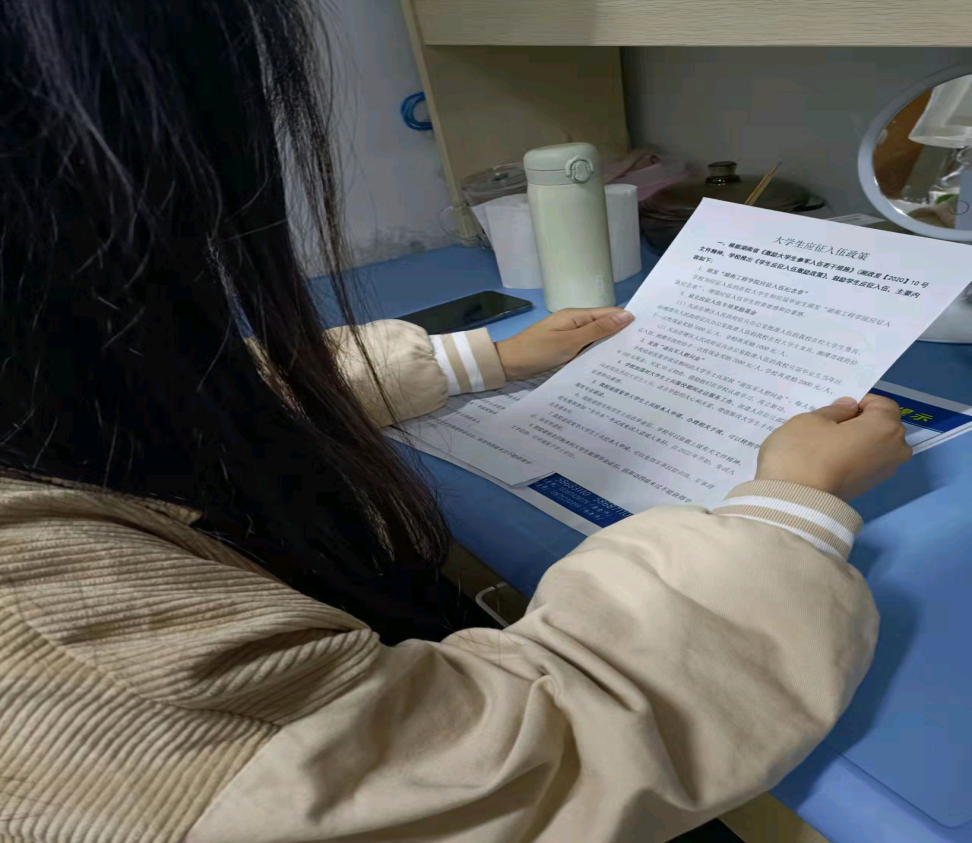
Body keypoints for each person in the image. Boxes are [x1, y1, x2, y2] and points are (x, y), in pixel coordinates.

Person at [0, 1, 911, 841]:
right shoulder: (56, 639)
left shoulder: (43, 375)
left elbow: (150, 397)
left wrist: (479, 360)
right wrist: (789, 509)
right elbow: (531, 769)